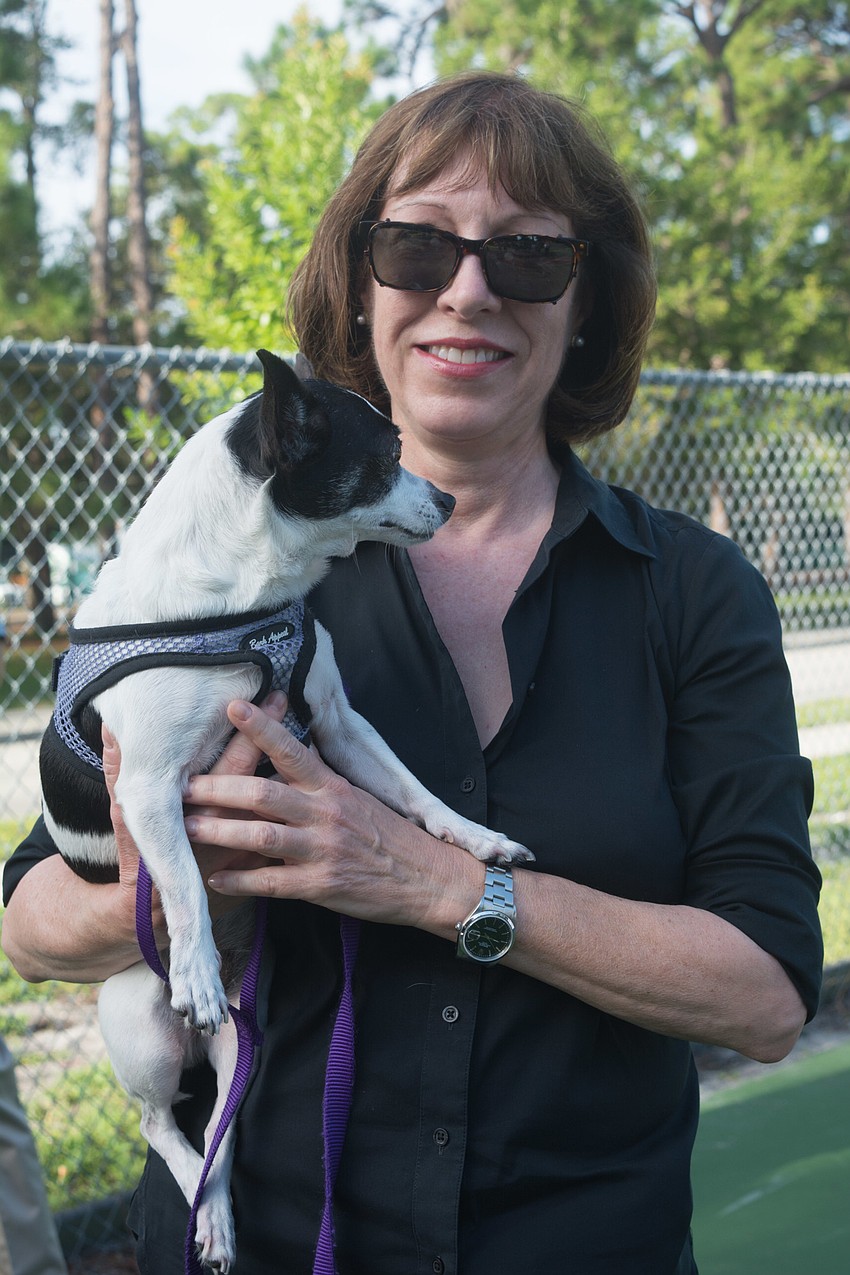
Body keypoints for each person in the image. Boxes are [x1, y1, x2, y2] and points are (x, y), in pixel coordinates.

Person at [1, 72, 822, 1274]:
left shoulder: (691, 591)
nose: (469, 290)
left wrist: (437, 887)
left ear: (587, 303)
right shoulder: (220, 582)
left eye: (531, 257)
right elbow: (28, 924)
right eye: (416, 244)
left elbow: (763, 997)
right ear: (359, 279)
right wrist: (187, 883)